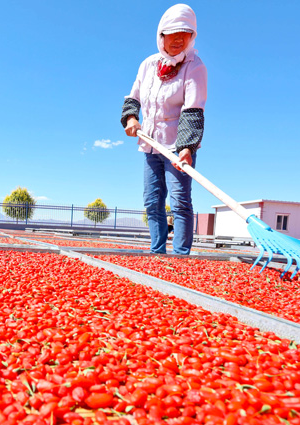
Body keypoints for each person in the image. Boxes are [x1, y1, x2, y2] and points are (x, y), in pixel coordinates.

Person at [121, 4, 207, 255]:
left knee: (179, 201)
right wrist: (131, 118)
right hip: (150, 143)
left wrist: (187, 148)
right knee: (152, 201)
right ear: (161, 36)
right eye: (172, 33)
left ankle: (180, 258)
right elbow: (133, 98)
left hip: (178, 146)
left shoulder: (195, 67)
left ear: (192, 37)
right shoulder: (148, 65)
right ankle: (157, 253)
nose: (179, 39)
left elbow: (193, 109)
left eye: (186, 33)